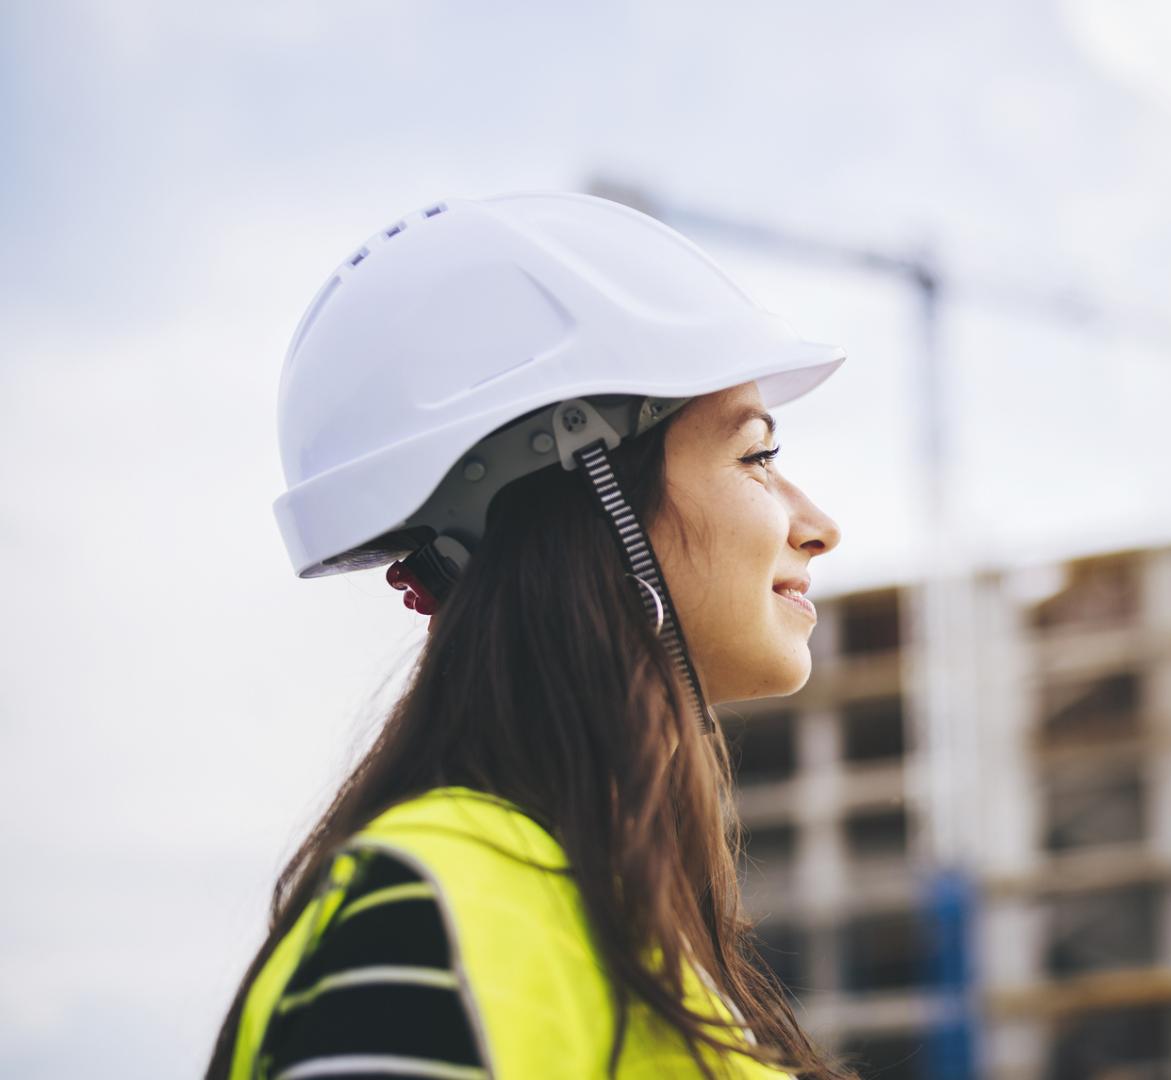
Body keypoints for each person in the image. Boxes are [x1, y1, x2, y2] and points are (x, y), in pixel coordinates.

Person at [206, 192, 856, 1079]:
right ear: (591, 492)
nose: (818, 526)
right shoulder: (426, 915)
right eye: (756, 457)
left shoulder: (620, 923)